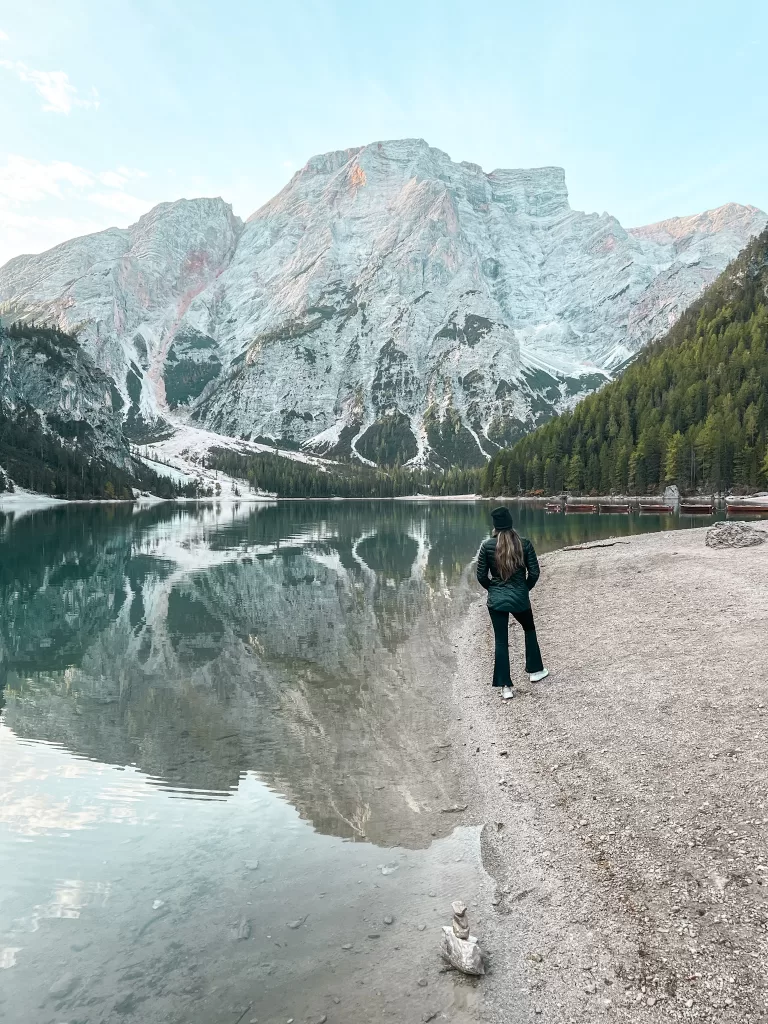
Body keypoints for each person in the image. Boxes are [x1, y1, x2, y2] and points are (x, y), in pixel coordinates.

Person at [475, 506, 548, 700]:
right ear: (511, 523)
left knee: (501, 640)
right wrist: (524, 589)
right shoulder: (524, 544)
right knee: (529, 629)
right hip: (520, 598)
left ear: (495, 526)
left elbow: (481, 576)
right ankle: (534, 671)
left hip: (496, 601)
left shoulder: (487, 546)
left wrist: (493, 589)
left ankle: (505, 687)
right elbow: (534, 573)